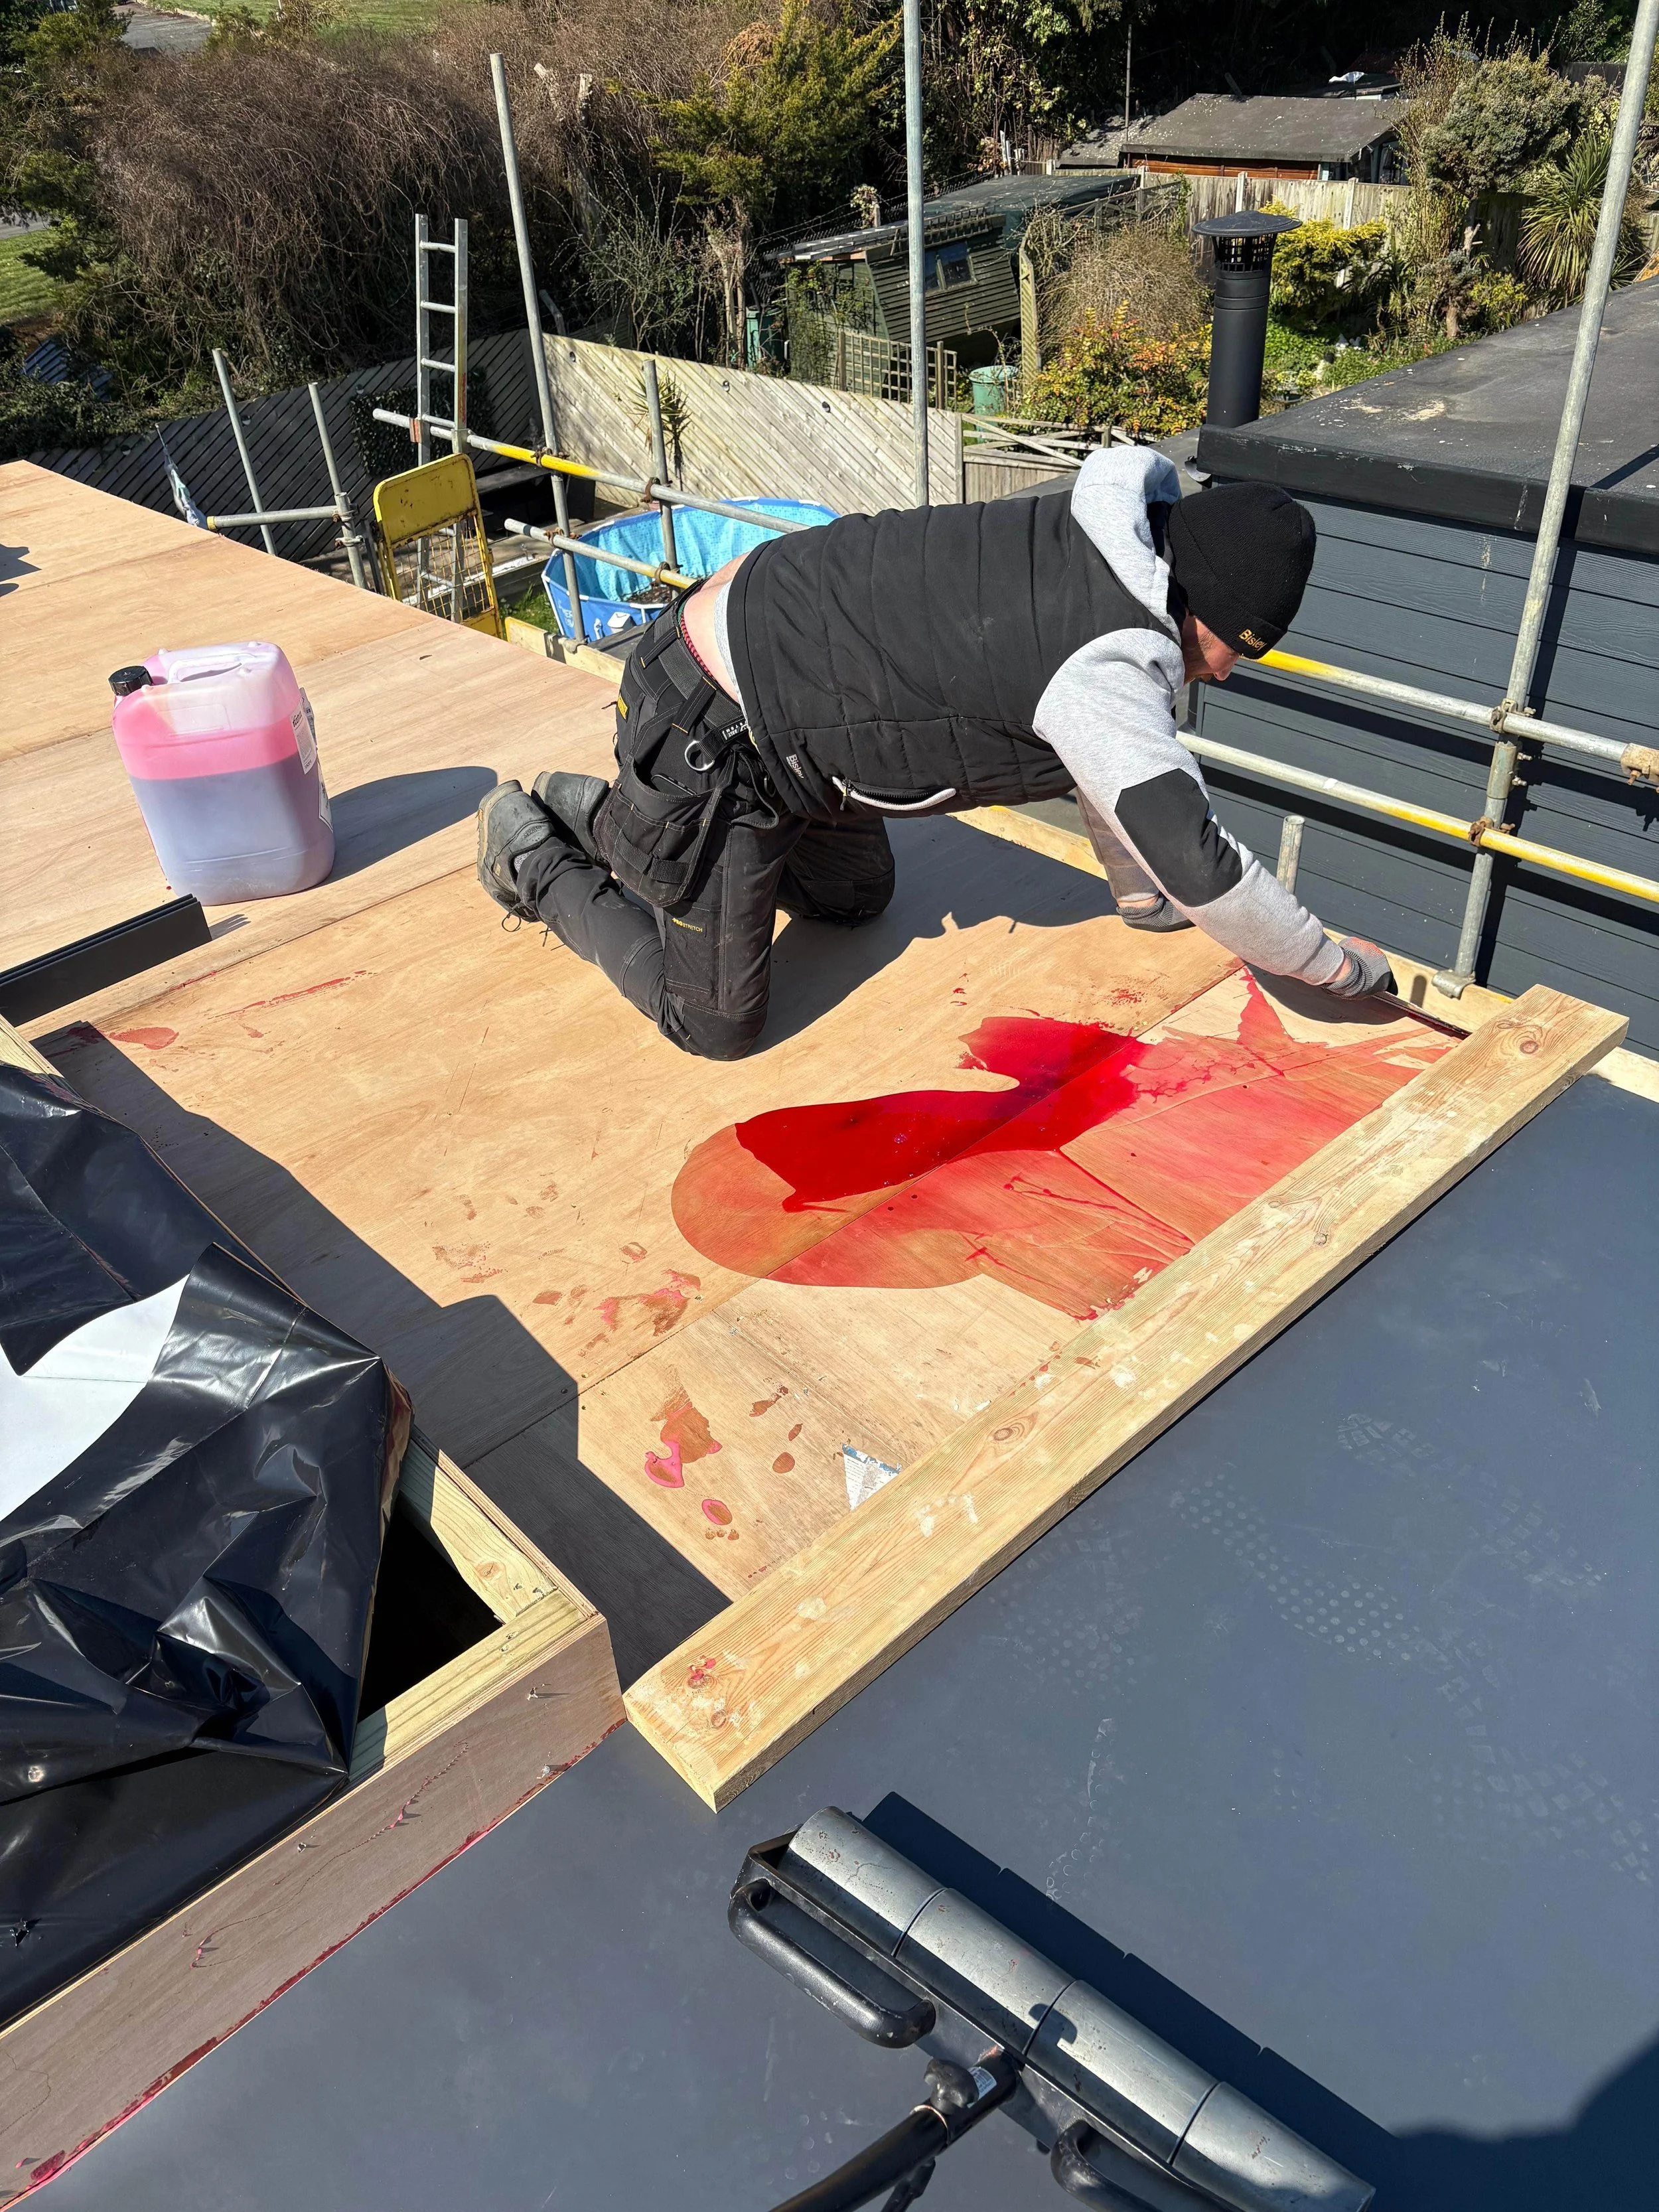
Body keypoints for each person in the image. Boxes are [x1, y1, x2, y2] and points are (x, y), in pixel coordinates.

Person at [475, 445, 1393, 1060]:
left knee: (859, 898)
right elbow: (1196, 854)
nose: (1229, 675)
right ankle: (539, 849)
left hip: (791, 707)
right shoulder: (1100, 663)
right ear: (1210, 606)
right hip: (713, 732)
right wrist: (1326, 965)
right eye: (1246, 647)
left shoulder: (1105, 545)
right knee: (714, 1022)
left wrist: (1142, 896)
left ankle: (633, 825)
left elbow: (1111, 758)